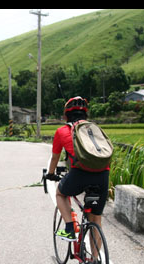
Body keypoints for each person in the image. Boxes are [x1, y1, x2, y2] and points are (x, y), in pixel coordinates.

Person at [46, 96, 109, 242]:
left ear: (65, 115)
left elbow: (55, 158)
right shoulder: (94, 130)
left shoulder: (62, 131)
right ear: (86, 115)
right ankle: (95, 261)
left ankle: (69, 229)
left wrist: (50, 174)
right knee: (96, 220)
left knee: (60, 194)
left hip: (79, 174)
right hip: (102, 175)